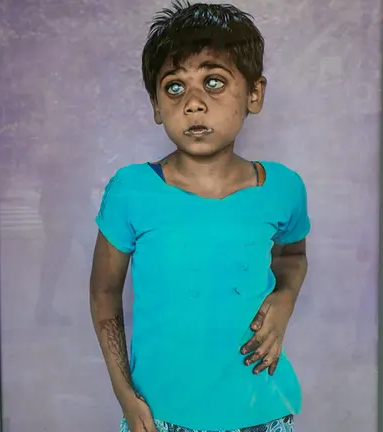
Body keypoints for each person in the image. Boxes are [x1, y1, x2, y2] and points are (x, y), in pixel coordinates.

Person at [89, 3, 310, 432]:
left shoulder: (282, 188)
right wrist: (126, 396)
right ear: (156, 104)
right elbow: (103, 296)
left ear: (254, 93)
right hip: (161, 416)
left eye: (213, 82)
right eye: (174, 88)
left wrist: (284, 300)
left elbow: (292, 258)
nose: (193, 104)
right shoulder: (132, 191)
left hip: (263, 410)